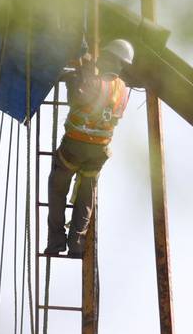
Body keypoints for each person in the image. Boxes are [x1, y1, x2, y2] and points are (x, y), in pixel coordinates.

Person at [43, 39, 134, 257]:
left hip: (74, 146)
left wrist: (77, 76)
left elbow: (77, 99)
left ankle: (56, 242)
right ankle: (76, 244)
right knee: (86, 197)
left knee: (57, 188)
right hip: (98, 152)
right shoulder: (122, 90)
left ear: (111, 59)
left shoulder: (96, 83)